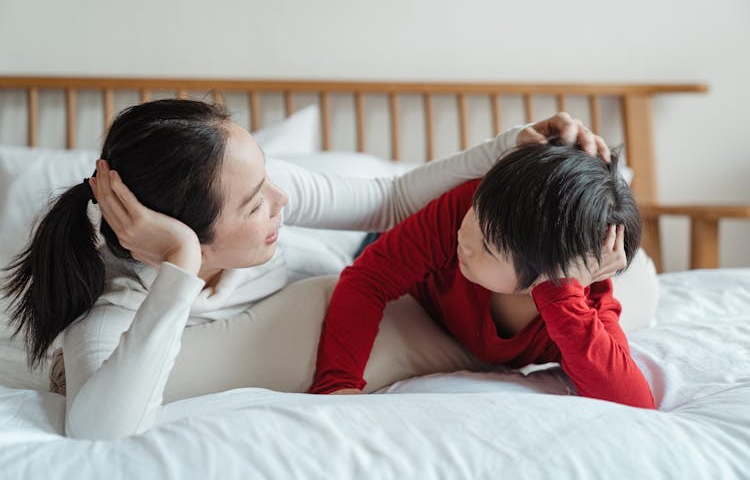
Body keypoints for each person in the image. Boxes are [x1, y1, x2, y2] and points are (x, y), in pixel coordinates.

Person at [2, 98, 610, 439]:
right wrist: (181, 268)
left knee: (606, 273)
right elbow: (100, 433)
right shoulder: (108, 309)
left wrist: (512, 148)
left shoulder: (261, 189)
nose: (283, 200)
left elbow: (391, 200)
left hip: (374, 256)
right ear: (190, 234)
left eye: (269, 175)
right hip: (359, 277)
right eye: (255, 202)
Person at [309, 144, 655, 409]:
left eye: (489, 247)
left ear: (546, 279)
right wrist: (337, 385)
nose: (467, 236)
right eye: (476, 212)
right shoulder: (464, 211)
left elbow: (635, 404)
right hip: (395, 245)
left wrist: (562, 294)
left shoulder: (579, 301)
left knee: (643, 278)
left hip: (552, 280)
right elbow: (368, 278)